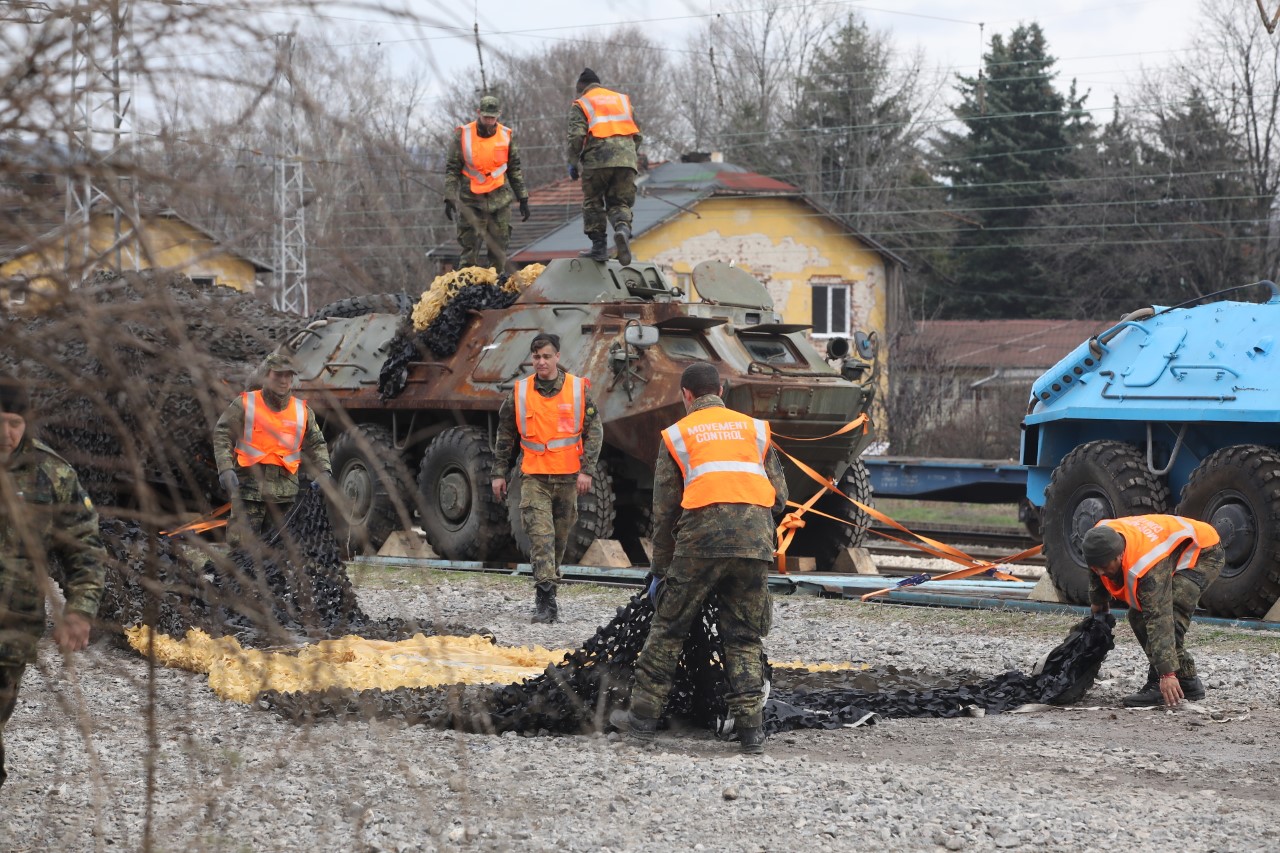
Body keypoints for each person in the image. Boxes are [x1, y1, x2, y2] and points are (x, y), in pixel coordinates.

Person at [614, 362, 787, 754]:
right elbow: (779, 496)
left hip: (700, 544)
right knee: (743, 636)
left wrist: (660, 571)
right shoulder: (754, 429)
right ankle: (750, 731)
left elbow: (665, 511)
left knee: (669, 627)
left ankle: (641, 720)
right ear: (721, 391)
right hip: (754, 542)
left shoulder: (677, 434)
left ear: (686, 395)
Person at [0, 372, 107, 788]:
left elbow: (85, 547)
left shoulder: (51, 474)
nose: (6, 433)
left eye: (14, 422)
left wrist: (79, 610)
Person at [491, 333, 602, 623]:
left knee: (559, 540)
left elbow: (595, 431)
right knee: (541, 537)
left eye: (546, 356)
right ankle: (545, 599)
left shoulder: (578, 390)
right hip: (533, 477)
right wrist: (499, 473)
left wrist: (587, 469)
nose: (540, 362)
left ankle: (550, 589)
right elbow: (505, 433)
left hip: (567, 478)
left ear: (557, 358)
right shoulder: (519, 392)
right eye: (536, 356)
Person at [1081, 514, 1225, 708]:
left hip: (1204, 552)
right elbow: (1097, 570)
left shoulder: (1147, 564)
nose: (1100, 572)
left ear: (1119, 555)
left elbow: (1160, 617)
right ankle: (1188, 681)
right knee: (1137, 616)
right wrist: (1098, 608)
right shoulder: (1099, 538)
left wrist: (1167, 674)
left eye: (1105, 567)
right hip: (1171, 547)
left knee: (1169, 610)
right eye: (1095, 568)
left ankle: (1160, 682)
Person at [213, 353, 332, 549]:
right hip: (248, 491)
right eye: (278, 375)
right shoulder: (246, 403)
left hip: (284, 496)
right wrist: (225, 468)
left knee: (279, 554)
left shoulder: (302, 411)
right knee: (242, 550)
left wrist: (325, 470)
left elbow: (317, 442)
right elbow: (222, 433)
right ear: (266, 376)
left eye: (288, 375)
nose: (284, 381)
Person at [444, 94, 530, 273]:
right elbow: (452, 168)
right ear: (478, 113)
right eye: (486, 117)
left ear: (498, 115)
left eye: (492, 117)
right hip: (472, 201)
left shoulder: (506, 135)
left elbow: (514, 169)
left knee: (499, 250)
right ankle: (466, 288)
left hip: (500, 200)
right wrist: (449, 196)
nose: (489, 121)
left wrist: (523, 197)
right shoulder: (463, 135)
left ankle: (495, 286)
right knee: (469, 250)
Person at [566, 67, 641, 265]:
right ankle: (622, 230)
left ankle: (599, 248)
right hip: (626, 160)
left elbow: (577, 136)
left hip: (598, 160)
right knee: (619, 203)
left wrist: (572, 162)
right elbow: (638, 134)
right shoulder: (623, 101)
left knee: (593, 201)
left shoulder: (582, 103)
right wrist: (631, 157)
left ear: (582, 88)